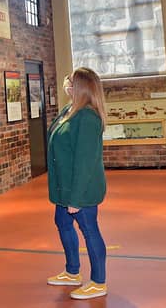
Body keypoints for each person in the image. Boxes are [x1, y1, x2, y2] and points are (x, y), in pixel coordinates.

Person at [46, 67, 108, 300]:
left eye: (70, 81)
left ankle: (98, 281)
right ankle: (73, 271)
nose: (66, 83)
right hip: (64, 186)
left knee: (89, 230)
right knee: (62, 222)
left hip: (80, 189)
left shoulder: (88, 118)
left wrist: (76, 199)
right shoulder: (69, 111)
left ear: (80, 87)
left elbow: (85, 162)